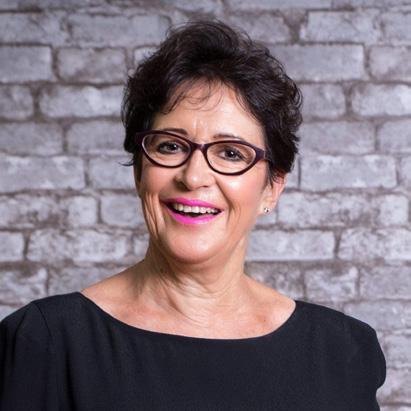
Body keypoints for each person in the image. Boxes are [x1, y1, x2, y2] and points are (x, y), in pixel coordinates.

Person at [0, 20, 385, 411]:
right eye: (170, 146)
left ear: (272, 187)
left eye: (231, 153)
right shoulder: (45, 343)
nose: (194, 176)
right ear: (139, 171)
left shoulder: (341, 352)